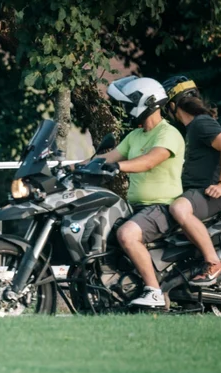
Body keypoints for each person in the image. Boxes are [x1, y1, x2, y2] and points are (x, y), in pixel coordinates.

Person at [74, 76, 185, 308]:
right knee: (101, 230)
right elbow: (106, 157)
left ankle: (154, 291)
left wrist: (118, 167)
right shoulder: (135, 136)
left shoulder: (168, 133)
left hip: (163, 207)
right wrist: (74, 167)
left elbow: (148, 161)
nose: (125, 110)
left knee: (126, 235)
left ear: (146, 102)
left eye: (127, 105)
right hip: (137, 208)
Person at [162, 76, 221, 285]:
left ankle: (214, 263)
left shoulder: (201, 123)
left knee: (179, 209)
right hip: (197, 194)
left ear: (172, 106)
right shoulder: (193, 127)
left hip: (208, 195)